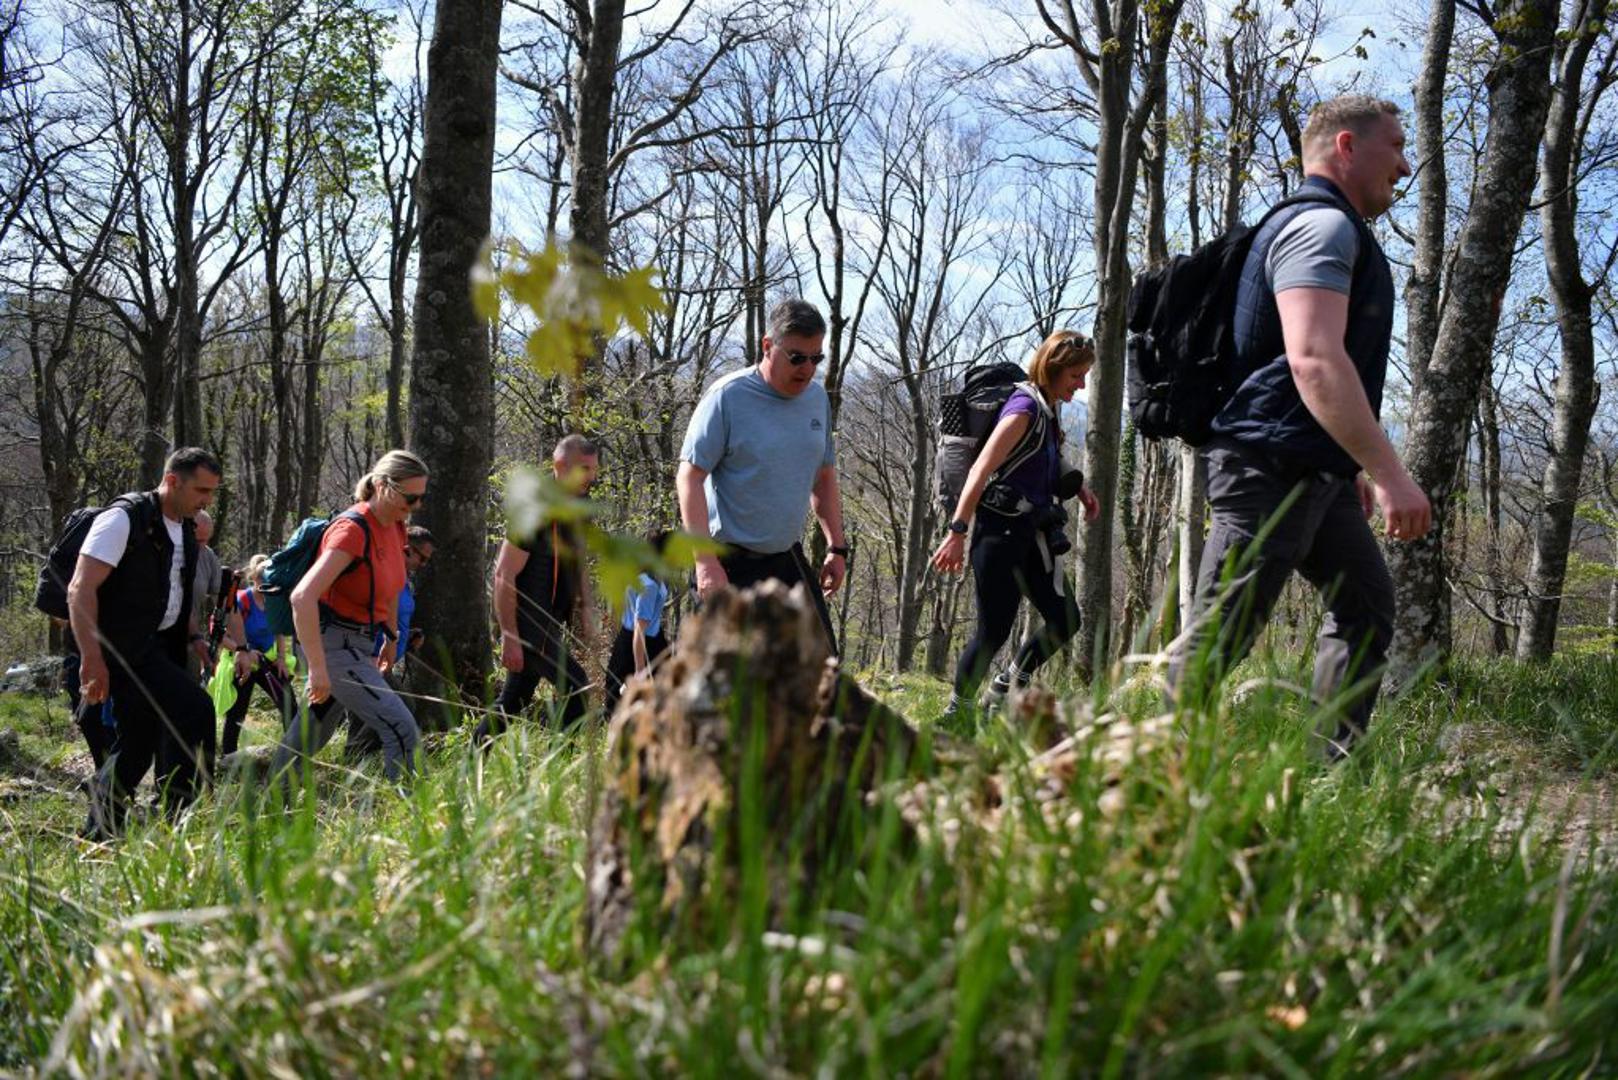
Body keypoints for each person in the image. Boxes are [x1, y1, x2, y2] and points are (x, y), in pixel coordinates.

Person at [1165, 94, 1431, 759]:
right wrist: (1388, 471)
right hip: (1266, 470)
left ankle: (1327, 777)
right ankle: (1151, 782)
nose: (1404, 165)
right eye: (1395, 146)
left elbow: (1293, 364)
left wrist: (1346, 464)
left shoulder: (1328, 227)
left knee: (1366, 608)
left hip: (1311, 470)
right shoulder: (1322, 229)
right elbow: (1313, 361)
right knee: (1221, 632)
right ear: (1346, 145)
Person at [930, 332, 1100, 718]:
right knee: (992, 632)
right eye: (1077, 375)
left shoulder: (1048, 406)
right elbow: (980, 470)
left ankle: (1006, 686)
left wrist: (1082, 490)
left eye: (1086, 374)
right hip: (998, 534)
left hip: (1033, 533)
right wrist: (957, 532)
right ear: (1053, 369)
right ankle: (959, 714)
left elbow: (1042, 462)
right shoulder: (1023, 408)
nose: (1082, 383)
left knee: (1065, 618)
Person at [676, 298, 848, 652]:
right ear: (768, 346)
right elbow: (689, 477)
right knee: (718, 685)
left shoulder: (816, 400)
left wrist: (837, 546)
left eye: (816, 358)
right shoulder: (728, 397)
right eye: (797, 357)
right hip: (727, 561)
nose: (807, 369)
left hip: (785, 558)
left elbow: (824, 475)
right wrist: (705, 563)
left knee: (822, 668)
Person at [67, 447, 222, 837]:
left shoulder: (184, 528)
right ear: (172, 481)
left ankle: (100, 833)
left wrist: (195, 637)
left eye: (211, 492)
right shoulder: (123, 519)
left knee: (138, 740)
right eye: (201, 490)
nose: (207, 501)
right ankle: (179, 817)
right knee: (195, 709)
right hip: (118, 647)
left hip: (155, 645)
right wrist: (91, 659)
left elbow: (172, 593)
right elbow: (79, 589)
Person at [270, 450, 427, 785]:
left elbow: (390, 584)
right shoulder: (352, 530)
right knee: (401, 728)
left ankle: (267, 810)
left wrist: (391, 635)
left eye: (420, 499)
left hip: (363, 644)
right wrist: (318, 667)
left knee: (307, 739)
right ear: (384, 485)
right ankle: (416, 820)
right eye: (410, 497)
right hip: (333, 647)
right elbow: (303, 596)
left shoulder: (396, 527)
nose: (415, 506)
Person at [476, 436, 599, 745]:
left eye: (594, 469)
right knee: (578, 688)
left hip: (550, 621)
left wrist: (585, 610)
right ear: (560, 467)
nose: (592, 476)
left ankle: (471, 766)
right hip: (529, 622)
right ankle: (560, 766)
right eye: (584, 468)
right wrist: (509, 636)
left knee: (513, 700)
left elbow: (578, 560)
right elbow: (504, 574)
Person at [344, 525, 433, 760]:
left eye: (427, 561)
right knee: (403, 707)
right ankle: (354, 756)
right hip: (369, 659)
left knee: (364, 715)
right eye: (421, 558)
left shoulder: (404, 581)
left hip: (385, 661)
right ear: (406, 549)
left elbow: (394, 618)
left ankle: (350, 770)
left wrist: (408, 636)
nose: (422, 565)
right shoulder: (382, 575)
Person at [217, 554, 292, 757]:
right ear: (255, 580)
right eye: (265, 581)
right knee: (237, 712)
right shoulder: (242, 600)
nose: (269, 585)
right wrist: (243, 652)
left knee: (289, 704)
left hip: (265, 659)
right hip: (241, 660)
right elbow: (220, 636)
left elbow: (279, 630)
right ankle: (228, 758)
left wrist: (282, 659)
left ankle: (294, 755)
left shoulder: (275, 600)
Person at [603, 530, 672, 716]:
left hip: (651, 640)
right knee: (617, 696)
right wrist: (640, 669)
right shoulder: (648, 585)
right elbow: (639, 630)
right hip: (640, 643)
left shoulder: (649, 578)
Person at [187, 509, 225, 676]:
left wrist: (231, 643)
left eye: (206, 540)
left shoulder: (208, 556)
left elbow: (222, 602)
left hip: (191, 642)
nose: (202, 545)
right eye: (197, 540)